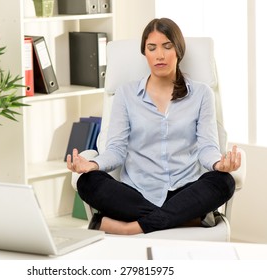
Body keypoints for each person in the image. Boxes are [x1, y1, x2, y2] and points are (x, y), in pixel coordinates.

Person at [66, 18, 241, 235]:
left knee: (224, 182)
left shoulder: (201, 93)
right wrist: (92, 164)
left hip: (185, 190)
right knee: (88, 182)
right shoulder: (125, 94)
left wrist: (218, 164)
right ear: (145, 53)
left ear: (178, 50)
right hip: (137, 193)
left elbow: (207, 147)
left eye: (167, 47)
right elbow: (116, 150)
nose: (160, 55)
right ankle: (188, 219)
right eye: (152, 48)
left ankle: (132, 227)